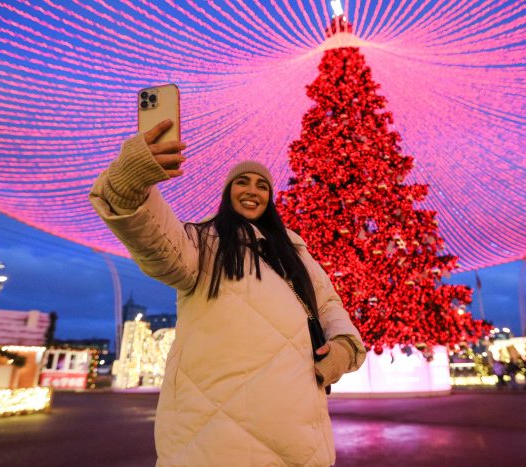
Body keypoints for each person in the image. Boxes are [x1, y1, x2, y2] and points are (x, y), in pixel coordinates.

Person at [90, 119, 366, 466]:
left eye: (262, 185)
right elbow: (155, 241)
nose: (253, 190)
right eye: (242, 182)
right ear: (228, 192)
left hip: (299, 429)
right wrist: (132, 181)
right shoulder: (200, 242)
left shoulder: (295, 251)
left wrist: (344, 346)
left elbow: (328, 304)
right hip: (213, 434)